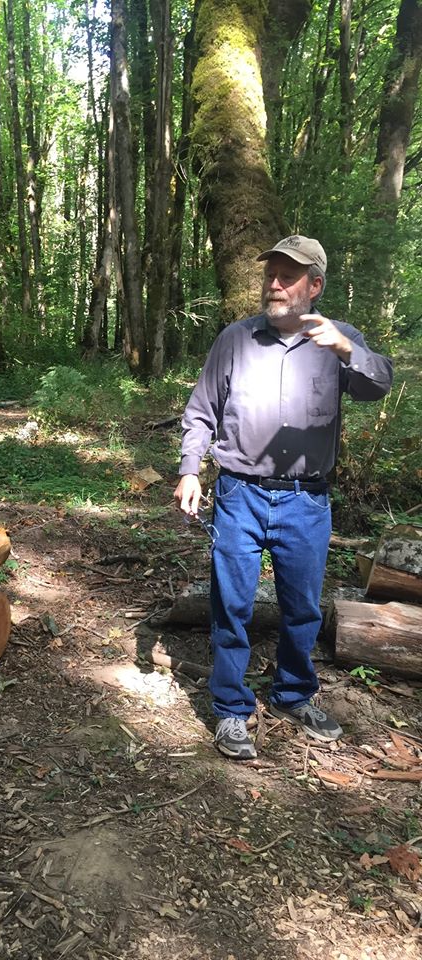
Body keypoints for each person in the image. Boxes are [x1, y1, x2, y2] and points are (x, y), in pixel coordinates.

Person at [173, 235, 393, 760]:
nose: (274, 283)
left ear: (314, 286)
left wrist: (346, 348)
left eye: (288, 275)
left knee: (301, 610)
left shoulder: (340, 342)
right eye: (270, 272)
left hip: (306, 500)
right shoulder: (236, 339)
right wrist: (190, 471)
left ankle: (294, 693)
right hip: (239, 494)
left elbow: (379, 382)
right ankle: (229, 708)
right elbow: (202, 409)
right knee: (231, 605)